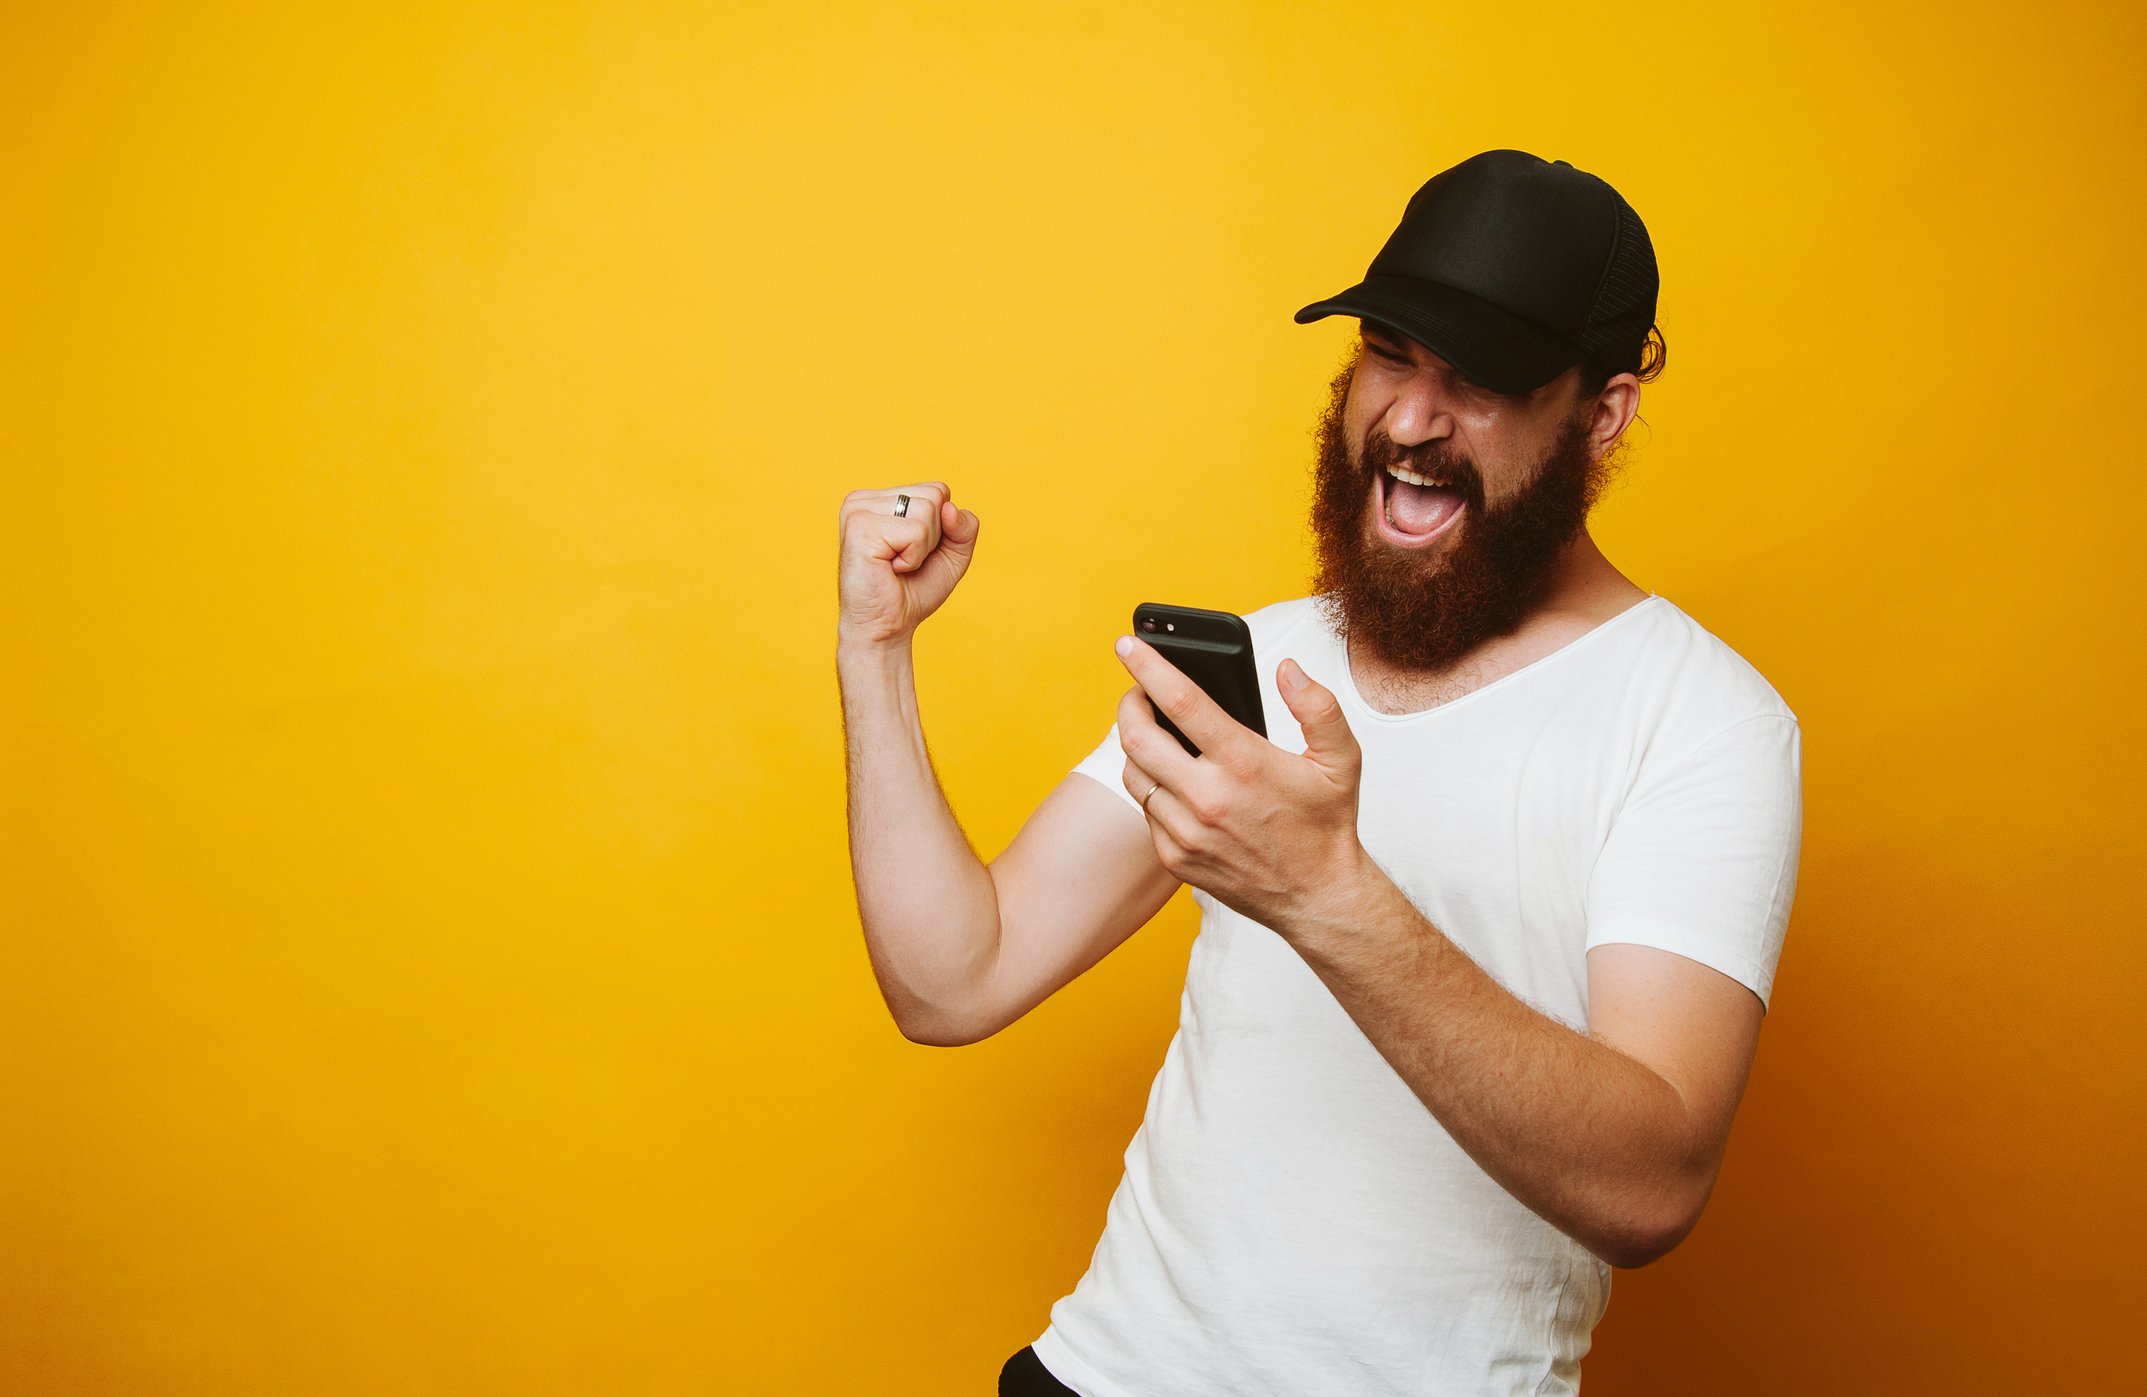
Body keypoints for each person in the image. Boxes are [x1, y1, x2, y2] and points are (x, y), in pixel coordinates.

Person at [835, 149, 1803, 1397]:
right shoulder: (1272, 656)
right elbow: (951, 977)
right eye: (1389, 352)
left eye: (1482, 379)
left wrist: (1322, 892)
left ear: (1601, 412)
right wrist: (876, 644)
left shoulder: (1701, 720)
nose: (1407, 418)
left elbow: (1651, 1181)